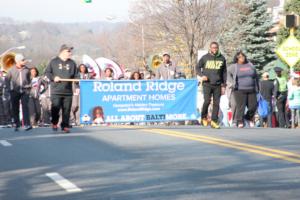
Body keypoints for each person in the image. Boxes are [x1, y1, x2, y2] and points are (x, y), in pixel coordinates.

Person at [45, 44, 78, 133]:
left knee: (67, 110)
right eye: (68, 51)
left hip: (68, 91)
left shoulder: (72, 63)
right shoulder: (53, 62)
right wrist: (53, 78)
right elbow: (47, 73)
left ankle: (65, 125)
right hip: (56, 90)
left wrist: (77, 83)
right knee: (55, 108)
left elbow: (76, 75)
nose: (70, 53)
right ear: (62, 51)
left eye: (70, 51)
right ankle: (54, 123)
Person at [196, 42, 227, 129]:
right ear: (210, 48)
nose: (214, 49)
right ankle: (203, 117)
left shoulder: (222, 58)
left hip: (217, 84)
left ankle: (214, 121)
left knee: (217, 103)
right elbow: (197, 67)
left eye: (216, 47)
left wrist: (224, 85)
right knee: (207, 101)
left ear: (218, 48)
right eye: (213, 47)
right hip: (207, 84)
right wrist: (202, 75)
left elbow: (224, 72)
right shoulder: (205, 57)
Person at [227, 51, 259, 128]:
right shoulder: (234, 66)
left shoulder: (250, 65)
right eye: (240, 57)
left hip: (251, 89)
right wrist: (231, 83)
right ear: (237, 58)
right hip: (239, 89)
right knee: (241, 107)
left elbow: (256, 76)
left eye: (243, 56)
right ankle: (240, 121)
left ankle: (247, 117)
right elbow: (227, 73)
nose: (242, 58)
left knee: (253, 106)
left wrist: (257, 87)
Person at [6, 54, 32, 131]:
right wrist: (10, 89)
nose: (24, 61)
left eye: (24, 60)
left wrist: (29, 86)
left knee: (25, 107)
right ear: (17, 61)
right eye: (22, 60)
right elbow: (7, 80)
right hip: (14, 91)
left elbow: (29, 79)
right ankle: (17, 124)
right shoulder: (11, 70)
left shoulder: (27, 69)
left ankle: (27, 124)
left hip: (25, 91)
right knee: (15, 108)